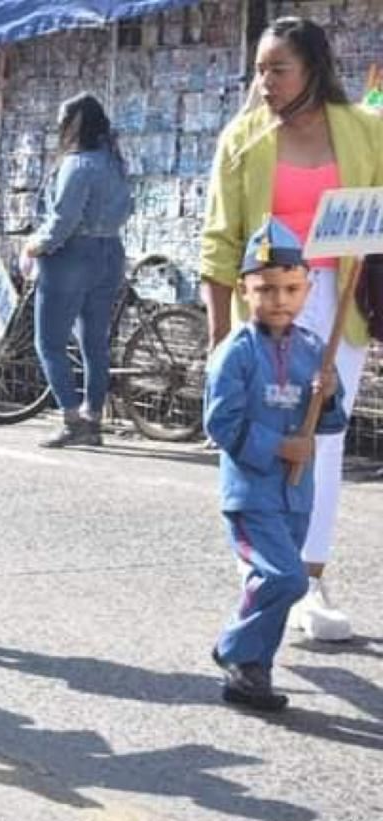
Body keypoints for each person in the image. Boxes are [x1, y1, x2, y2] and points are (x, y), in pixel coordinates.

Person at [201, 16, 383, 642]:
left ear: (313, 69)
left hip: (336, 302)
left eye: (279, 68)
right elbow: (219, 243)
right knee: (261, 437)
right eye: (260, 69)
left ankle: (310, 572)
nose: (266, 81)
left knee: (322, 438)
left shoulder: (365, 130)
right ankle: (263, 569)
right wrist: (217, 333)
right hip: (264, 302)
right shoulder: (244, 139)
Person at [205, 218, 347, 711]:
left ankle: (251, 673)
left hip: (296, 494)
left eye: (290, 288)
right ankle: (234, 648)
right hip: (252, 494)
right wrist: (277, 447)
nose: (279, 299)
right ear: (245, 291)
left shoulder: (313, 350)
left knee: (278, 582)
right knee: (287, 579)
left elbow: (332, 423)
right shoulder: (235, 354)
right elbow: (221, 424)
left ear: (308, 287)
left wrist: (327, 397)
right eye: (265, 289)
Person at [24, 92, 133, 448]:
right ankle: (94, 418)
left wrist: (35, 245)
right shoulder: (114, 161)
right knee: (94, 342)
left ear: (73, 124)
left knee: (50, 342)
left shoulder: (77, 164)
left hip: (72, 255)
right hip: (110, 252)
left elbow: (62, 221)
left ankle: (72, 420)